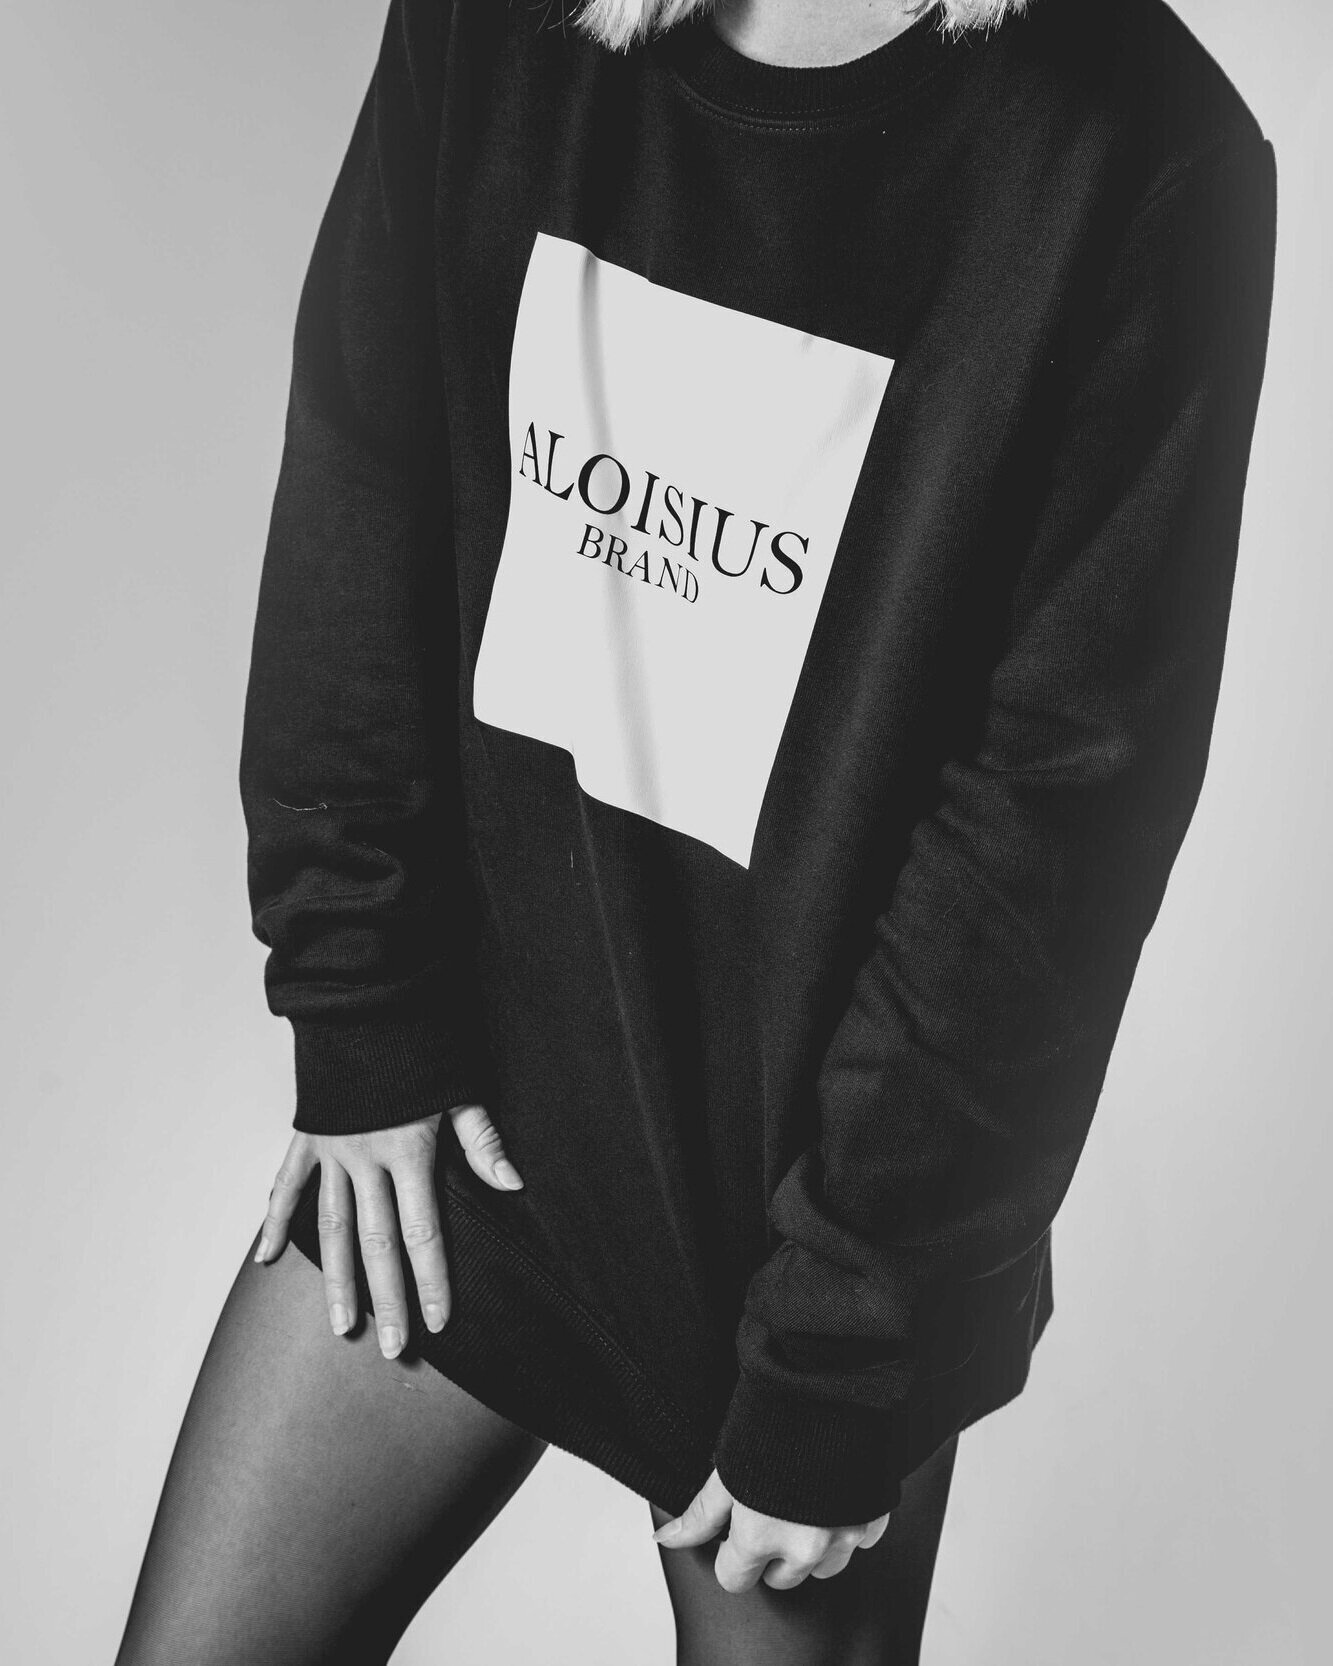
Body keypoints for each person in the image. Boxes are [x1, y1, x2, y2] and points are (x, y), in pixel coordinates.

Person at [114, 0, 1277, 1660]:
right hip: (477, 1130)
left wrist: (844, 1334)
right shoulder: (496, 22)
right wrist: (361, 1012)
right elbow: (363, 473)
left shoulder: (1145, 156)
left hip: (815, 1215)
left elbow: (1051, 832)